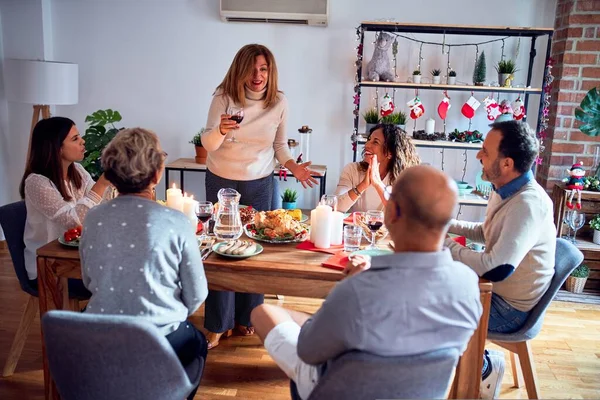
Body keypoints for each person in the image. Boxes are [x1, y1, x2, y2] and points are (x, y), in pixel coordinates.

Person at [250, 165, 483, 400]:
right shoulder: (468, 285)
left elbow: (308, 351)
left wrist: (347, 288)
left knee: (263, 313)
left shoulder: (358, 291)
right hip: (418, 392)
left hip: (333, 390)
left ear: (392, 213)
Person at [201, 44, 318, 349]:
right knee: (221, 249)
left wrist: (295, 168)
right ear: (240, 70)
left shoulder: (278, 101)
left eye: (263, 69)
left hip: (260, 182)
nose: (258, 75)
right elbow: (208, 143)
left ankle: (247, 317)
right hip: (222, 179)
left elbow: (280, 146)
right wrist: (221, 131)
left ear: (270, 71)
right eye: (252, 69)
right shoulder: (223, 97)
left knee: (254, 249)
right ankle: (217, 323)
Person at [80, 128, 208, 399]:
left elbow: (89, 281)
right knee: (197, 341)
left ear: (111, 174)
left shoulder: (93, 218)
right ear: (156, 174)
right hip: (159, 341)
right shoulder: (177, 222)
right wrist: (166, 308)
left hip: (100, 338)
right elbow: (197, 295)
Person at [444, 120, 556, 399]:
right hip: (496, 293)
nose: (479, 156)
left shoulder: (527, 204)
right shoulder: (505, 189)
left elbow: (496, 268)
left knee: (430, 311)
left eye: (485, 151)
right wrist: (442, 223)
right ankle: (478, 362)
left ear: (506, 164)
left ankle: (481, 369)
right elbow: (486, 233)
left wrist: (440, 245)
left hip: (510, 309)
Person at [20, 117, 111, 283]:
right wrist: (102, 183)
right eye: (75, 139)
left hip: (79, 254)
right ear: (57, 148)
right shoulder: (36, 182)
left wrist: (118, 182)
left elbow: (101, 204)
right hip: (50, 264)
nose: (83, 141)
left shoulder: (77, 170)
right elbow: (72, 222)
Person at [334, 124, 420, 213]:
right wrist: (362, 185)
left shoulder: (402, 179)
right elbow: (336, 207)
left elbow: (401, 214)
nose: (367, 145)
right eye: (369, 139)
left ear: (390, 153)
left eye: (375, 142)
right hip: (353, 227)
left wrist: (378, 184)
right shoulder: (352, 170)